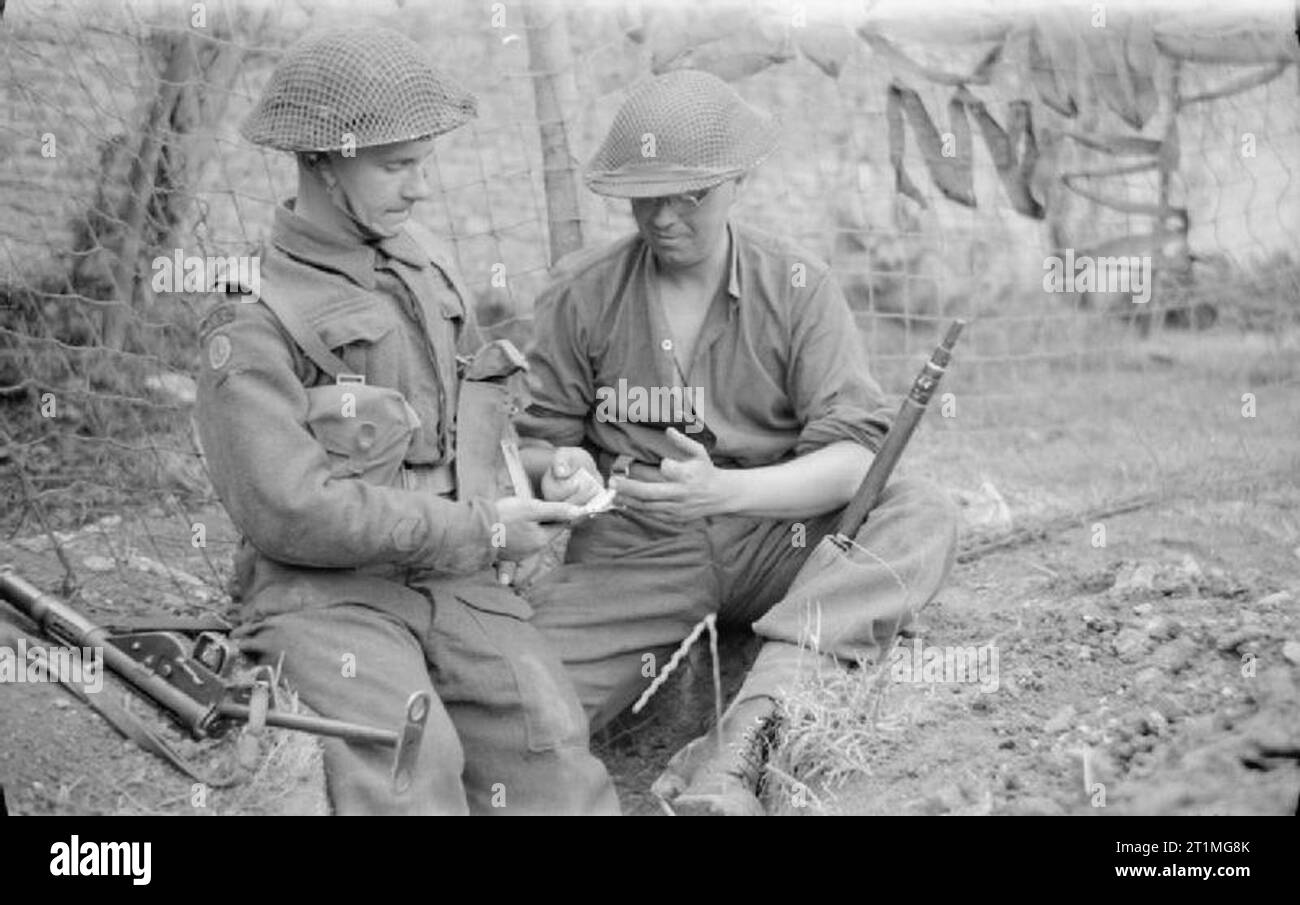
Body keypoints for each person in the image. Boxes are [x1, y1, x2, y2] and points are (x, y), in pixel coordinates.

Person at [195, 27, 619, 815]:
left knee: (553, 744)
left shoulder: (422, 270)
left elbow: (463, 436)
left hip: (451, 582)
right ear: (322, 161)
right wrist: (483, 531)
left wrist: (534, 471)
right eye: (396, 166)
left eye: (422, 162)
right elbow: (291, 513)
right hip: (325, 598)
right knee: (410, 759)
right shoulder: (250, 319)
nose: (420, 187)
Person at [516, 69, 960, 815]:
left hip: (773, 537)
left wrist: (727, 491)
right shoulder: (579, 292)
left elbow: (858, 459)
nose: (663, 216)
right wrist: (559, 473)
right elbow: (537, 446)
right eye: (645, 194)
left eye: (690, 194)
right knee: (519, 708)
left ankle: (738, 747)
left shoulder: (797, 286)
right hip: (635, 546)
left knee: (920, 513)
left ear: (737, 182)